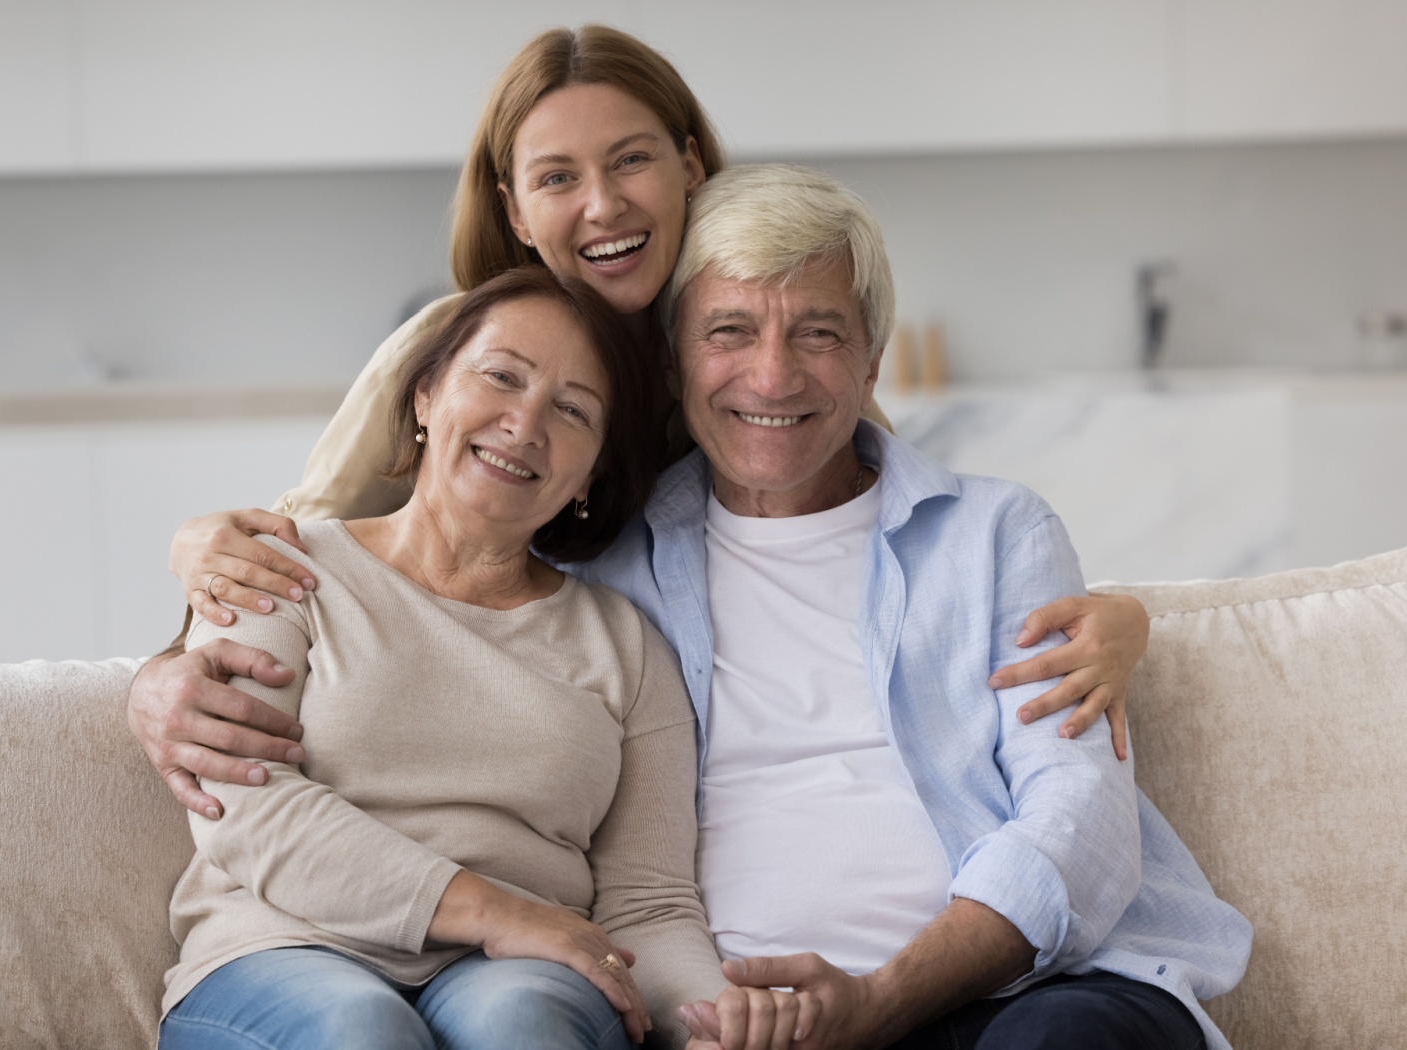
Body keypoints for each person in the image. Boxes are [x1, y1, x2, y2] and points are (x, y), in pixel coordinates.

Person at [128, 25, 1152, 822]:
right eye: (556, 178)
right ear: (517, 211)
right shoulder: (456, 350)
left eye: (630, 162)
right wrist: (164, 662)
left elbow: (906, 529)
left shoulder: (764, 349)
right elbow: (278, 553)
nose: (603, 206)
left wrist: (1125, 613)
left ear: (691, 166)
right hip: (477, 754)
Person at [571, 163, 1245, 1050]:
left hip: (1025, 994)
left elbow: (1080, 815)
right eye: (729, 331)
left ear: (873, 357)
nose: (772, 378)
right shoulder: (609, 565)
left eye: (818, 333)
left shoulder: (997, 532)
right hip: (749, 1025)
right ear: (673, 359)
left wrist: (883, 1000)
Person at [159, 266, 749, 1050]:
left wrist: (715, 1025)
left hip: (518, 975)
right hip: (281, 948)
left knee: (523, 1025)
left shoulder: (628, 646)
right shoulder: (282, 569)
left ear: (593, 470)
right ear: (425, 396)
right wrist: (496, 911)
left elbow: (651, 905)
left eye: (572, 410)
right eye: (502, 377)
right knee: (362, 1031)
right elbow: (243, 806)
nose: (526, 422)